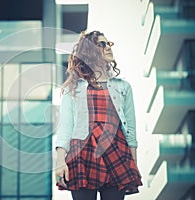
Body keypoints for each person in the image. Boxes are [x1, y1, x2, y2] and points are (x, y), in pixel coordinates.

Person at [54, 30, 142, 200]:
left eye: (109, 43)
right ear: (89, 51)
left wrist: (133, 164)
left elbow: (130, 130)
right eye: (102, 44)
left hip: (117, 151)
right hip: (82, 153)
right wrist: (60, 162)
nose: (108, 47)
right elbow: (66, 127)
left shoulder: (123, 87)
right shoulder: (73, 88)